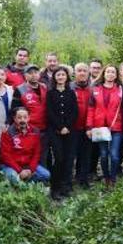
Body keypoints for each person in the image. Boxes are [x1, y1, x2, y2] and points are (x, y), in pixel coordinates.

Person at [87, 65, 123, 187]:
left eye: (113, 72)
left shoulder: (121, 90)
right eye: (108, 71)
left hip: (116, 127)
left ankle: (113, 178)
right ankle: (106, 177)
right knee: (103, 155)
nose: (110, 74)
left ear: (116, 75)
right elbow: (91, 109)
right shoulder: (95, 89)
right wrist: (89, 126)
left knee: (114, 155)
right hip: (100, 128)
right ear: (104, 74)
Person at [46, 67, 78, 199]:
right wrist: (60, 127)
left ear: (67, 77)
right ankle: (55, 187)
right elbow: (50, 112)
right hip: (55, 131)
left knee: (69, 159)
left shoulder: (71, 93)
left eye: (63, 75)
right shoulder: (50, 93)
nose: (60, 77)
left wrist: (67, 126)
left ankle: (67, 186)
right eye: (58, 75)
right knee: (59, 158)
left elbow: (75, 112)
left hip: (70, 131)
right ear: (54, 78)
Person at [0, 107, 50, 184]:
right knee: (13, 177)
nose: (22, 120)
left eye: (25, 117)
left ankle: (25, 180)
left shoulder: (35, 131)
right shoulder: (7, 132)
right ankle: (22, 180)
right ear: (14, 118)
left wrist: (30, 169)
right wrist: (19, 170)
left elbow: (36, 153)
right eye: (19, 117)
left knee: (46, 175)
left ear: (29, 118)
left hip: (27, 165)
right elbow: (6, 155)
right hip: (11, 166)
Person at [12, 64, 50, 166]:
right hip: (29, 130)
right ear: (25, 75)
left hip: (44, 129)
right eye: (30, 73)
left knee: (43, 156)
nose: (33, 75)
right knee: (28, 155)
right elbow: (14, 110)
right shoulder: (19, 89)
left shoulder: (45, 87)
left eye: (36, 72)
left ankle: (42, 178)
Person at [72, 63, 92, 188]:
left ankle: (83, 179)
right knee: (71, 155)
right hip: (73, 128)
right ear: (75, 73)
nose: (82, 73)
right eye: (79, 70)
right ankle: (68, 180)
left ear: (88, 73)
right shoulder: (70, 88)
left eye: (85, 70)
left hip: (88, 128)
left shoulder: (93, 89)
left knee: (85, 155)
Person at [88, 58, 104, 179]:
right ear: (90, 68)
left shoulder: (102, 84)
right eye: (94, 67)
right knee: (85, 148)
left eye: (98, 68)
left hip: (97, 122)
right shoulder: (84, 81)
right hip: (82, 120)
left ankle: (93, 171)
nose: (96, 70)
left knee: (96, 148)